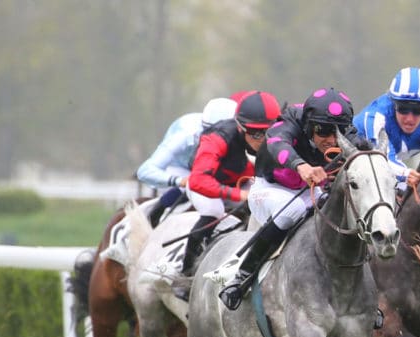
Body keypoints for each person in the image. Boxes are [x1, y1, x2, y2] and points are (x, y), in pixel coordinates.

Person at [205, 87, 367, 311]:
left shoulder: (344, 130)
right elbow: (277, 143)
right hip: (269, 189)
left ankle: (365, 292)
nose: (331, 140)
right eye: (323, 131)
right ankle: (241, 276)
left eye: (337, 132)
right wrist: (300, 166)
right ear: (309, 125)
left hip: (308, 191)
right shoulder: (290, 121)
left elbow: (368, 153)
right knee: (293, 210)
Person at [175, 90, 280, 300]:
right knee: (214, 211)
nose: (263, 140)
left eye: (268, 132)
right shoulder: (217, 137)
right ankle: (185, 276)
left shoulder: (272, 136)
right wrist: (240, 195)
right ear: (240, 127)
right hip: (204, 184)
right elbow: (198, 180)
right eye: (256, 134)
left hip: (238, 181)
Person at [136, 97, 238, 227]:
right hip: (179, 168)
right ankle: (157, 210)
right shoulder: (185, 135)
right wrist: (180, 181)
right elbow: (144, 171)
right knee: (194, 184)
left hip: (208, 166)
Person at [353, 66, 420, 192]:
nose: (410, 118)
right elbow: (381, 161)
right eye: (403, 109)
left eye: (417, 110)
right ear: (393, 104)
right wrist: (406, 174)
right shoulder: (376, 118)